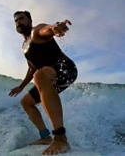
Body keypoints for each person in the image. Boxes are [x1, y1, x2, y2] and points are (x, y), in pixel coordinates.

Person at [9, 11, 78, 155]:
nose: (18, 22)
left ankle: (60, 138)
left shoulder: (36, 31)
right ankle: (45, 136)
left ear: (29, 20)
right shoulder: (24, 46)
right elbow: (31, 68)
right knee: (26, 102)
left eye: (21, 18)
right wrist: (21, 86)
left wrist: (55, 28)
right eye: (16, 20)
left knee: (39, 75)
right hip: (47, 75)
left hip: (66, 69)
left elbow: (47, 29)